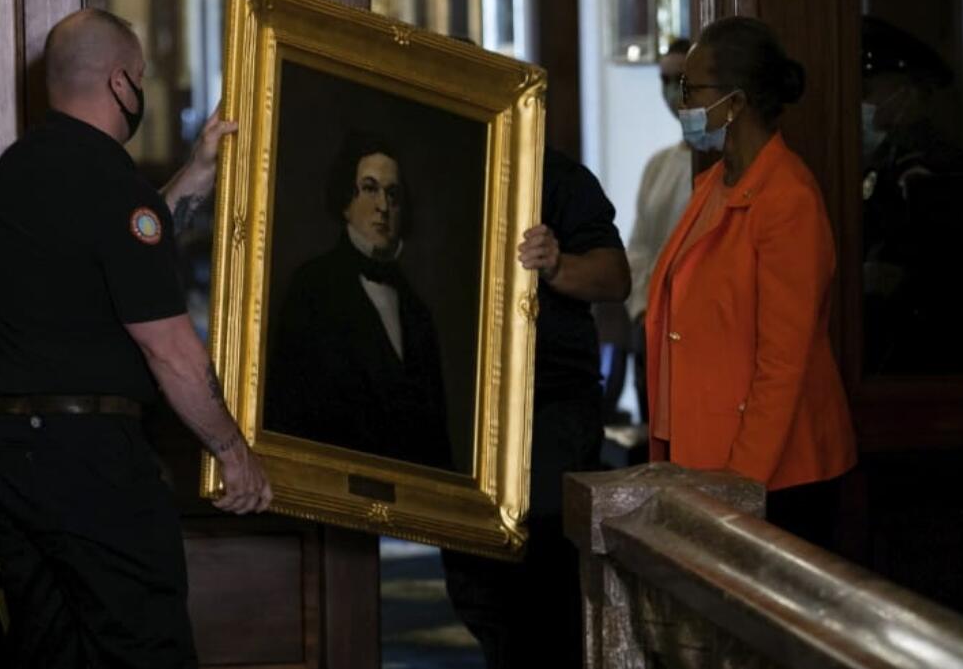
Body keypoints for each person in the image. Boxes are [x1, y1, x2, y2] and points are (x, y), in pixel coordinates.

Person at [0, 9, 272, 669]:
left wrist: (196, 169)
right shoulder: (111, 183)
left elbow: (116, 240)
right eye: (142, 77)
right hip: (90, 464)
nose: (143, 91)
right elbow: (171, 352)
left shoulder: (15, 172)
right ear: (120, 82)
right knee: (143, 650)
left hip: (10, 452)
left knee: (50, 652)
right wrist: (231, 448)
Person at [647, 16, 856, 549]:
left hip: (775, 477)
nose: (683, 103)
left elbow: (783, 364)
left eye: (693, 90)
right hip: (707, 460)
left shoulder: (787, 200)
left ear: (734, 103)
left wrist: (741, 487)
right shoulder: (714, 182)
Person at [442, 145, 631, 668]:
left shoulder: (558, 177)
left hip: (549, 417)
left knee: (547, 590)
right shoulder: (435, 171)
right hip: (465, 418)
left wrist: (556, 265)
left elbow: (615, 277)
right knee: (477, 589)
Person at [264, 131, 452, 469]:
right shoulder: (311, 289)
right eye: (369, 188)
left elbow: (436, 440)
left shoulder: (417, 312)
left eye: (392, 194)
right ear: (345, 201)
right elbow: (288, 412)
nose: (383, 206)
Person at [860, 16, 963, 374]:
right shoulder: (882, 158)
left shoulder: (937, 161)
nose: (862, 102)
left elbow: (917, 265)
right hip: (885, 350)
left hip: (925, 354)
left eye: (869, 91)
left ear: (907, 91)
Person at [624, 37, 694, 419]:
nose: (671, 92)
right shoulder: (658, 166)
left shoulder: (714, 166)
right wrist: (641, 310)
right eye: (664, 80)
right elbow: (639, 249)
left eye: (680, 79)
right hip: (651, 321)